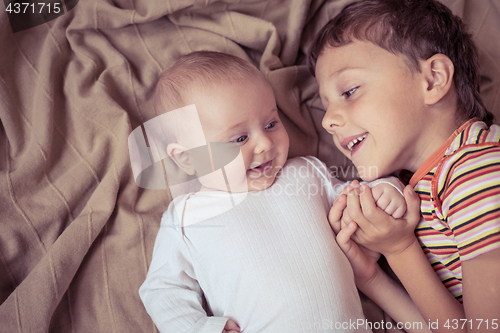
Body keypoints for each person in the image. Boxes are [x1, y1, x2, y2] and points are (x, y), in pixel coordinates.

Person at [138, 51, 421, 333]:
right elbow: (162, 290)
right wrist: (200, 328)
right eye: (239, 138)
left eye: (271, 124)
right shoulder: (187, 217)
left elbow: (356, 199)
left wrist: (384, 189)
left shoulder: (305, 172)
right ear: (188, 158)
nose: (264, 143)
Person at [308, 0, 500, 332]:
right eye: (325, 105)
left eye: (349, 91)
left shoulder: (476, 170)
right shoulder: (423, 182)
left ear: (432, 79)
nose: (327, 121)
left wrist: (400, 249)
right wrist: (371, 277)